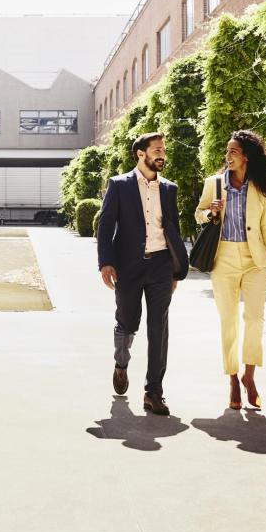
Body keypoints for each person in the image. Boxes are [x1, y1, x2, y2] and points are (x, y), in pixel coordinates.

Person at [96, 132, 190, 415]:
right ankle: (121, 363)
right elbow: (106, 225)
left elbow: (172, 228)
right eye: (157, 150)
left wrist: (175, 270)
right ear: (141, 154)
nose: (162, 154)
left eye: (164, 149)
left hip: (161, 265)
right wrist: (106, 262)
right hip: (128, 266)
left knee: (160, 328)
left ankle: (154, 392)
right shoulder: (119, 185)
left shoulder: (169, 189)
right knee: (127, 320)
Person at [194, 130, 266, 411]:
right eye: (227, 151)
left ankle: (249, 375)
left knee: (255, 319)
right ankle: (232, 379)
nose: (228, 156)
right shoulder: (214, 184)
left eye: (234, 151)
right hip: (224, 259)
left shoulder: (259, 187)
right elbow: (198, 213)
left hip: (254, 259)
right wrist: (211, 212)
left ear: (247, 156)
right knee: (228, 320)